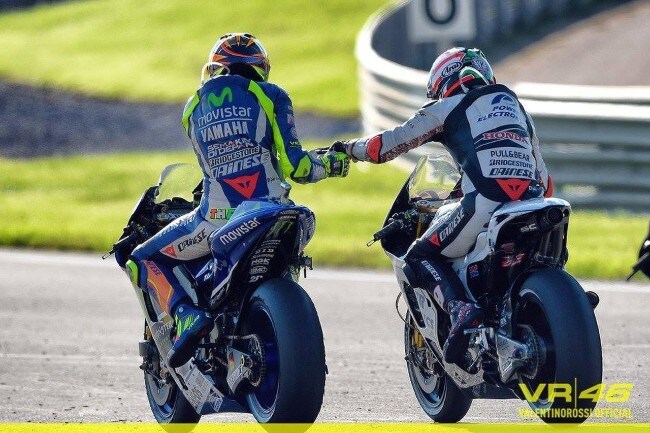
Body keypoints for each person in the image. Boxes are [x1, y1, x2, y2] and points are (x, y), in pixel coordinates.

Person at [127, 33, 350, 368]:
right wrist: (333, 164)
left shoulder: (192, 108)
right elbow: (298, 168)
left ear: (215, 68)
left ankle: (186, 315)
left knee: (141, 259)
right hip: (273, 209)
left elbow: (213, 168)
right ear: (260, 68)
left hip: (215, 218)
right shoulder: (271, 94)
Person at [334, 47, 553, 365]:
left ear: (442, 83)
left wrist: (348, 149)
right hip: (534, 203)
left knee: (419, 256)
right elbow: (545, 181)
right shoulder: (517, 108)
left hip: (487, 203)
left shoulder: (446, 107)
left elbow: (386, 146)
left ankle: (461, 310)